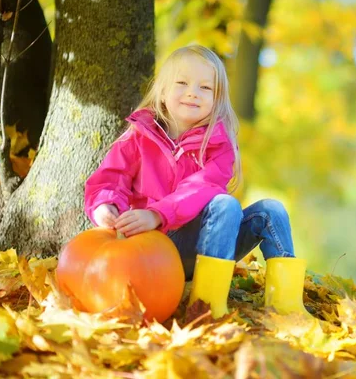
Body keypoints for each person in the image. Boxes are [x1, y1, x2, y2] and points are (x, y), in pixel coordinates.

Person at [84, 45, 311, 319]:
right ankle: (204, 310)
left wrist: (158, 213)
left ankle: (282, 307)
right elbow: (110, 178)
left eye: (205, 88)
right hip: (151, 252)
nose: (193, 92)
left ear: (217, 100)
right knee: (227, 204)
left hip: (205, 248)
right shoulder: (139, 137)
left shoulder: (219, 145)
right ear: (163, 92)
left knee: (269, 210)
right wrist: (105, 206)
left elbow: (202, 189)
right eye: (182, 83)